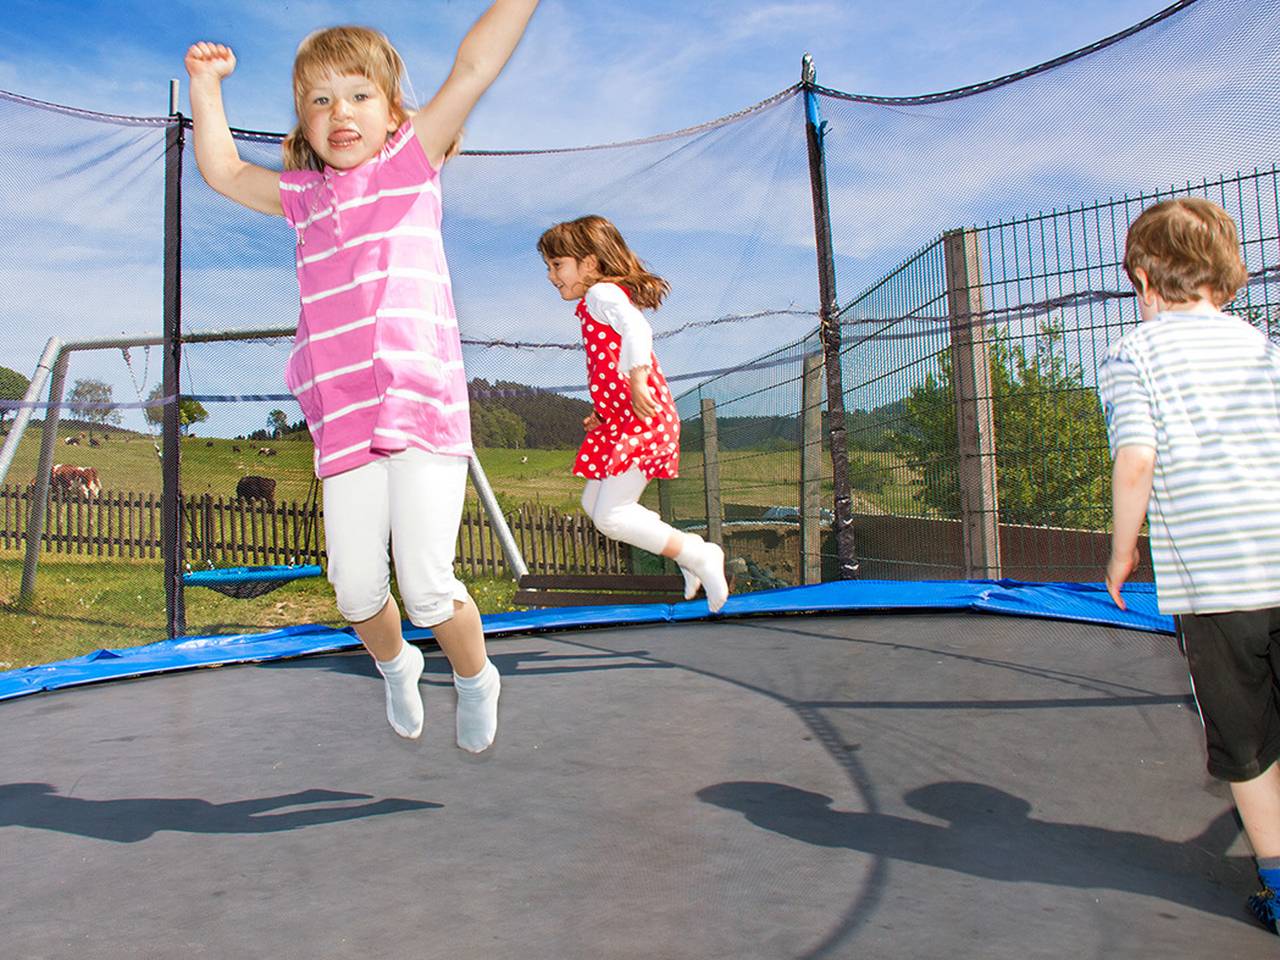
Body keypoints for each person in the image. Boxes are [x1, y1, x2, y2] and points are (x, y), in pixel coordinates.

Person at [184, 1, 539, 752]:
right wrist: (206, 84)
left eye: (357, 95)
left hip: (421, 406)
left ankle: (477, 679)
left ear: (391, 110)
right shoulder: (302, 199)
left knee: (428, 585)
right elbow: (219, 168)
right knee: (353, 589)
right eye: (319, 100)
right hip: (344, 417)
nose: (339, 112)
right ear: (303, 123)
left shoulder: (411, 163)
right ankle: (396, 664)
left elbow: (474, 67)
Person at [1098, 197, 1280, 934]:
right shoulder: (1264, 348)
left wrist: (1121, 548)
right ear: (1226, 278)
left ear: (1142, 278)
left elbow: (1137, 459)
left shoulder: (1133, 354)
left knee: (1249, 745)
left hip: (1220, 589)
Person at [537, 215, 729, 612]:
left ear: (588, 263)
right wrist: (603, 413)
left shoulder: (600, 295)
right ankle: (687, 552)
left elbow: (638, 330)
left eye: (558, 265)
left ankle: (700, 555)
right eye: (549, 267)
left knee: (611, 516)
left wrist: (638, 380)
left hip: (644, 418)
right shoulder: (597, 301)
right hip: (623, 419)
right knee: (596, 507)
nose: (552, 275)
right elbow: (610, 365)